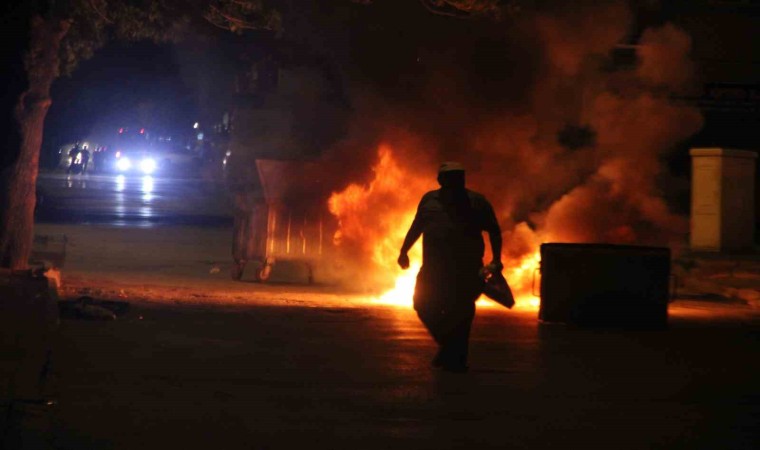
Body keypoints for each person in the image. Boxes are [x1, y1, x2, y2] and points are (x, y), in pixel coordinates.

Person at [398, 161, 503, 373]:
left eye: (459, 176)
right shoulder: (429, 200)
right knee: (422, 304)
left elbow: (494, 231)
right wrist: (404, 251)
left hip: (467, 268)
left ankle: (456, 357)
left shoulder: (477, 202)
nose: (456, 180)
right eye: (451, 177)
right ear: (441, 180)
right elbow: (417, 226)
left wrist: (497, 259)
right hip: (433, 268)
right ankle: (449, 347)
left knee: (462, 311)